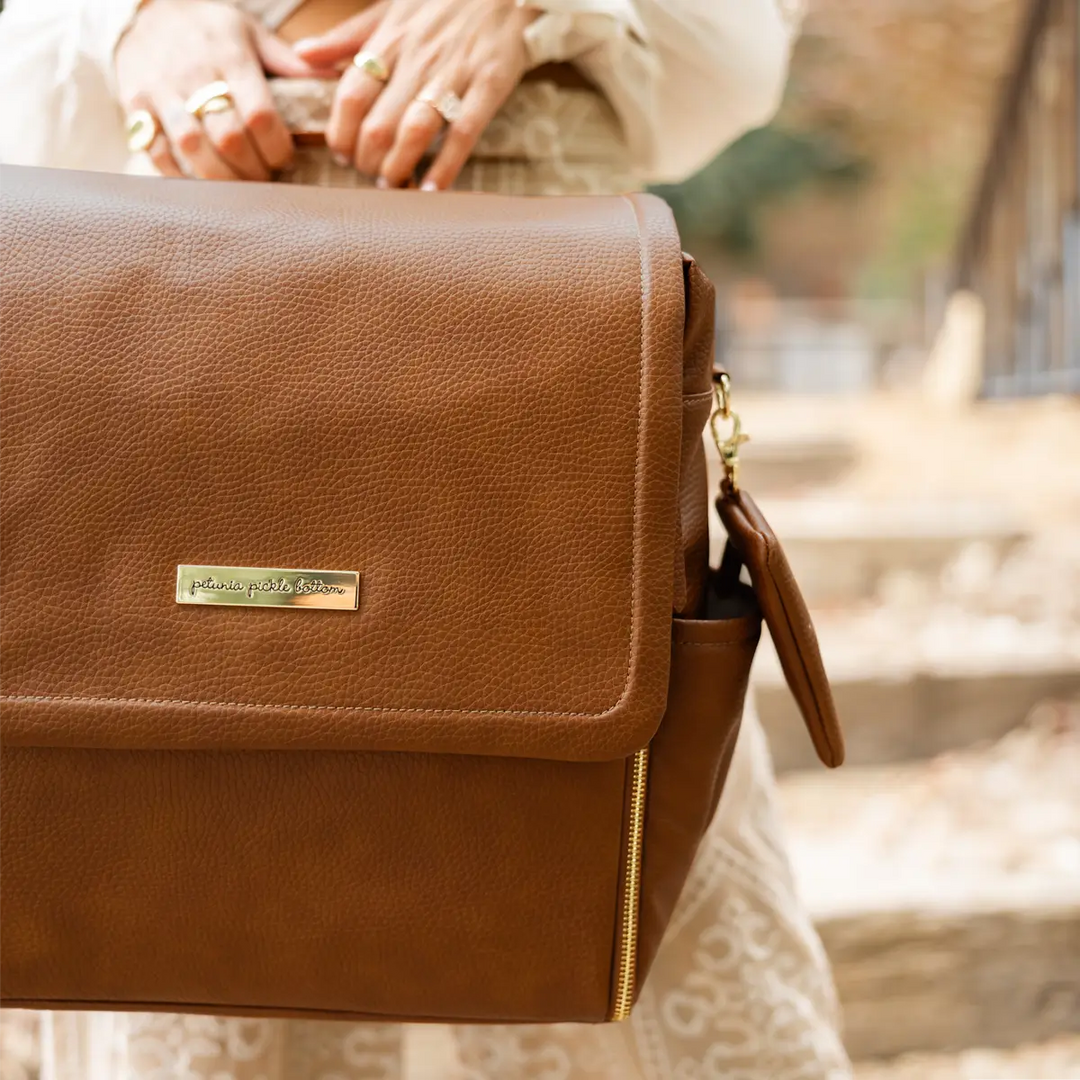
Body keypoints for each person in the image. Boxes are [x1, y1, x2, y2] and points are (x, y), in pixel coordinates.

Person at [0, 0, 852, 1076]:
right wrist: (125, 20)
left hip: (539, 341)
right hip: (156, 331)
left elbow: (739, 53)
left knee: (615, 821)